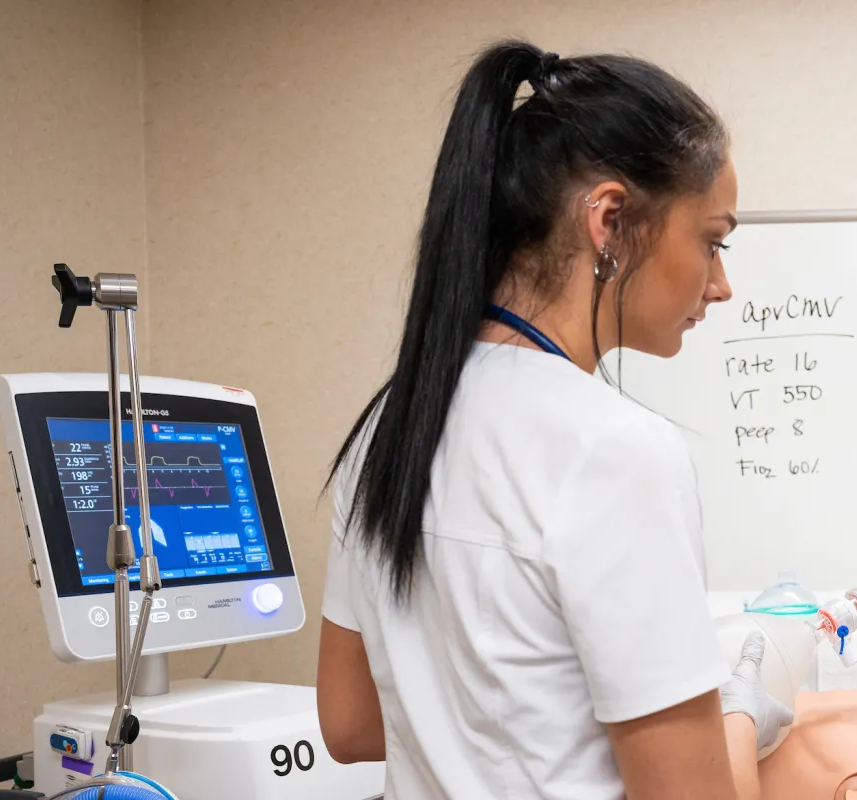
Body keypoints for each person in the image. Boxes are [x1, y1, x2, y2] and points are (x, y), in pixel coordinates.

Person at [313, 40, 789, 799]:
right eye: (712, 241)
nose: (721, 283)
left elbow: (350, 724)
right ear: (611, 220)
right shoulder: (615, 450)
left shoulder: (390, 427)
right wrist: (738, 714)